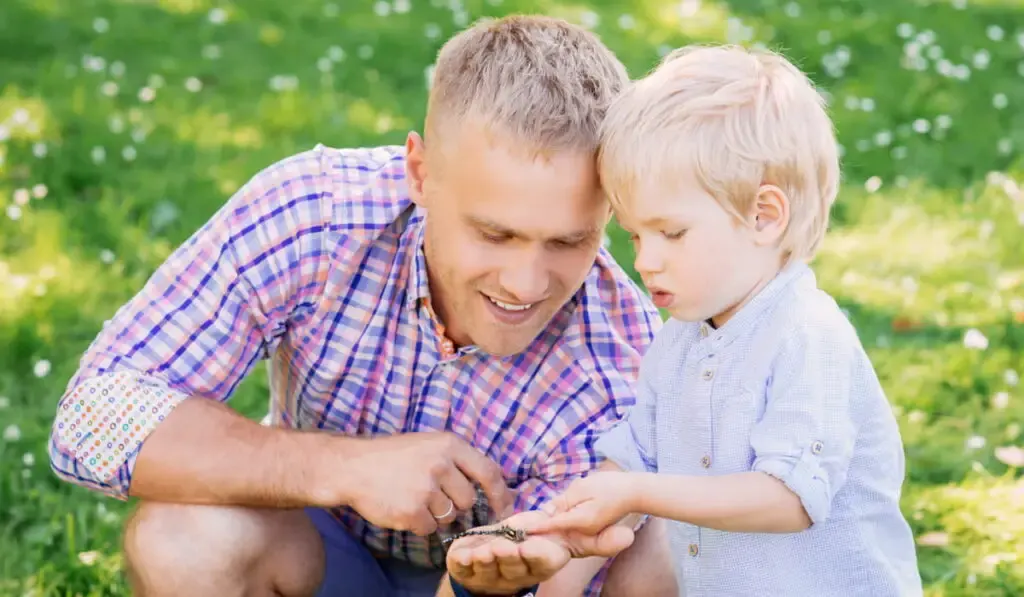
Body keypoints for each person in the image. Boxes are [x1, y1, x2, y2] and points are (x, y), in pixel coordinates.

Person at [46, 14, 678, 597]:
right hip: (320, 548)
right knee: (181, 539)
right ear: (421, 173)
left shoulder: (623, 364)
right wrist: (344, 466)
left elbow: (551, 574)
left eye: (569, 242)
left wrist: (491, 568)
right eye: (495, 233)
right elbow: (96, 419)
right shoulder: (316, 216)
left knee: (663, 553)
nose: (526, 283)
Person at [525, 44, 924, 596]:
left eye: (673, 233)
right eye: (637, 235)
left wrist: (642, 493)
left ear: (764, 217)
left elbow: (789, 499)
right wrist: (558, 558)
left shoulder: (808, 335)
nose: (646, 260)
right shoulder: (679, 342)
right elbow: (629, 460)